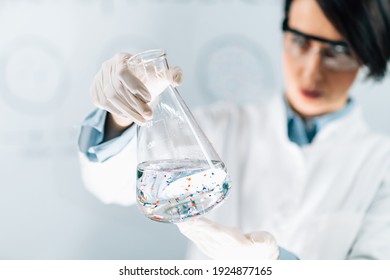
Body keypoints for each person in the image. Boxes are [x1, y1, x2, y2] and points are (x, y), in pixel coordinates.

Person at [78, 0, 390, 260]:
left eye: (337, 51)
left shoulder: (381, 165)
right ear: (283, 35)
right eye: (300, 41)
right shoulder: (220, 125)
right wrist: (120, 116)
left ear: (366, 53)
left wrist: (280, 266)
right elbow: (108, 185)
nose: (312, 70)